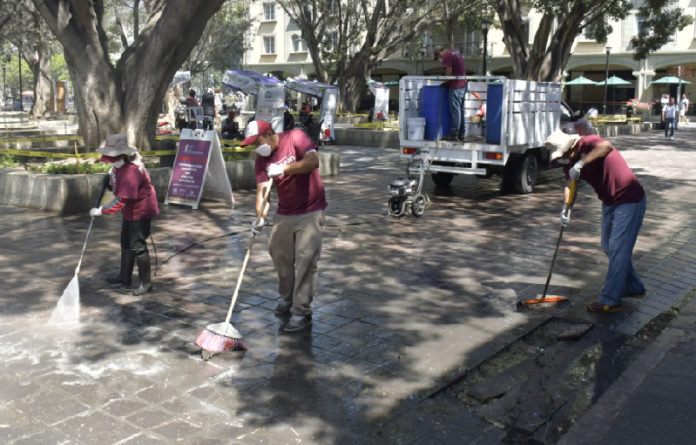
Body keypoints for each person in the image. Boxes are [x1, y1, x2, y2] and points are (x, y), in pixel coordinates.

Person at [544, 128, 646, 313]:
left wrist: (581, 163)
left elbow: (606, 147)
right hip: (609, 202)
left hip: (629, 199)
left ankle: (610, 300)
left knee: (617, 249)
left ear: (570, 147)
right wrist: (566, 209)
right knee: (608, 247)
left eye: (563, 156)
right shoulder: (570, 163)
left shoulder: (588, 142)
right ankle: (634, 287)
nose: (562, 160)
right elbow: (570, 185)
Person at [241, 120, 327, 332]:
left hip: (310, 208)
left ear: (270, 134)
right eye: (253, 145)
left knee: (306, 259)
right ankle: (287, 297)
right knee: (278, 253)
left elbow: (313, 161)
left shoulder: (295, 137)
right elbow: (263, 192)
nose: (257, 148)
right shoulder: (261, 160)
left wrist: (283, 168)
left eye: (258, 142)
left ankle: (301, 310)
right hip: (285, 211)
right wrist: (259, 217)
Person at [89, 134, 159, 296]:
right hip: (129, 210)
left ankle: (146, 283)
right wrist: (110, 182)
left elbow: (122, 199)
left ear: (122, 155)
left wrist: (101, 210)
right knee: (126, 242)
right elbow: (118, 189)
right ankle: (124, 277)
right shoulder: (120, 167)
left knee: (138, 245)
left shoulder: (131, 172)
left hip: (141, 210)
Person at [434, 48, 468, 141]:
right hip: (463, 83)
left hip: (456, 85)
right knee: (460, 110)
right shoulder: (454, 52)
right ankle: (461, 133)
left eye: (438, 57)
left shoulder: (446, 56)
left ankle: (454, 134)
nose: (440, 60)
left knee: (455, 111)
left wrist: (444, 82)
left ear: (439, 53)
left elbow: (449, 72)